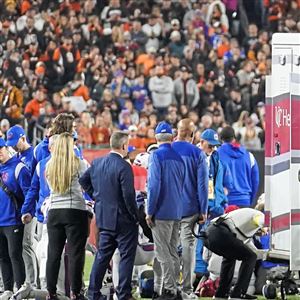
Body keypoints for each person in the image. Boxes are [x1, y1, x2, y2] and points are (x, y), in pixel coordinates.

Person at [79, 131, 139, 300]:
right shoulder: (124, 166)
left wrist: (97, 197)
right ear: (124, 145)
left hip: (105, 219)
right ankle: (124, 294)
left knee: (102, 257)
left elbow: (83, 181)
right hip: (124, 220)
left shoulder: (97, 163)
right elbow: (128, 196)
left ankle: (93, 293)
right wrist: (135, 216)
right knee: (126, 257)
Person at [45, 133, 89, 300]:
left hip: (54, 211)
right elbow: (87, 186)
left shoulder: (49, 165)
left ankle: (51, 292)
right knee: (75, 253)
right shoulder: (79, 163)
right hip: (75, 210)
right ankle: (76, 292)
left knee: (53, 253)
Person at [146, 121, 185, 300]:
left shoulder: (156, 156)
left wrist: (150, 211)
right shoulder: (179, 157)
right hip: (177, 210)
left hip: (161, 211)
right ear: (172, 137)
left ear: (156, 137)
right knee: (172, 251)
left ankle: (169, 289)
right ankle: (175, 287)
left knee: (163, 253)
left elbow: (154, 186)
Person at [171, 118, 208, 299]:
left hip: (167, 209)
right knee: (188, 248)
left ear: (177, 132)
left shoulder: (165, 151)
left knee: (167, 248)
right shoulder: (198, 154)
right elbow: (202, 185)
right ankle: (186, 289)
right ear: (192, 135)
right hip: (189, 209)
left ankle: (166, 286)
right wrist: (204, 210)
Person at [202, 208, 266, 300]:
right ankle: (238, 293)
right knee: (250, 257)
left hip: (209, 233)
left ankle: (221, 294)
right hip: (220, 232)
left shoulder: (242, 227)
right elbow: (259, 220)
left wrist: (268, 253)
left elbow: (254, 251)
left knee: (230, 256)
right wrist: (265, 227)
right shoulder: (259, 215)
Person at [5, 125, 38, 291]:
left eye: (14, 141)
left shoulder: (34, 154)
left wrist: (31, 210)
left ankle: (31, 284)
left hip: (32, 207)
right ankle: (27, 283)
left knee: (26, 246)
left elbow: (35, 183)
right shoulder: (17, 155)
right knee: (22, 248)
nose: (12, 145)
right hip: (23, 206)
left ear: (23, 138)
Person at [0, 137, 31, 300]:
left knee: (15, 255)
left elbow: (28, 193)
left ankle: (20, 287)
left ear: (6, 148)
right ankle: (7, 288)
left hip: (13, 219)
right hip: (0, 220)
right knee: (3, 256)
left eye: (0, 149)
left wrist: (26, 212)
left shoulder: (19, 167)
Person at [218, 126, 259, 207]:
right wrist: (250, 200)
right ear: (234, 138)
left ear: (221, 139)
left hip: (224, 203)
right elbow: (256, 180)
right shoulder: (249, 155)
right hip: (244, 201)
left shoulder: (216, 155)